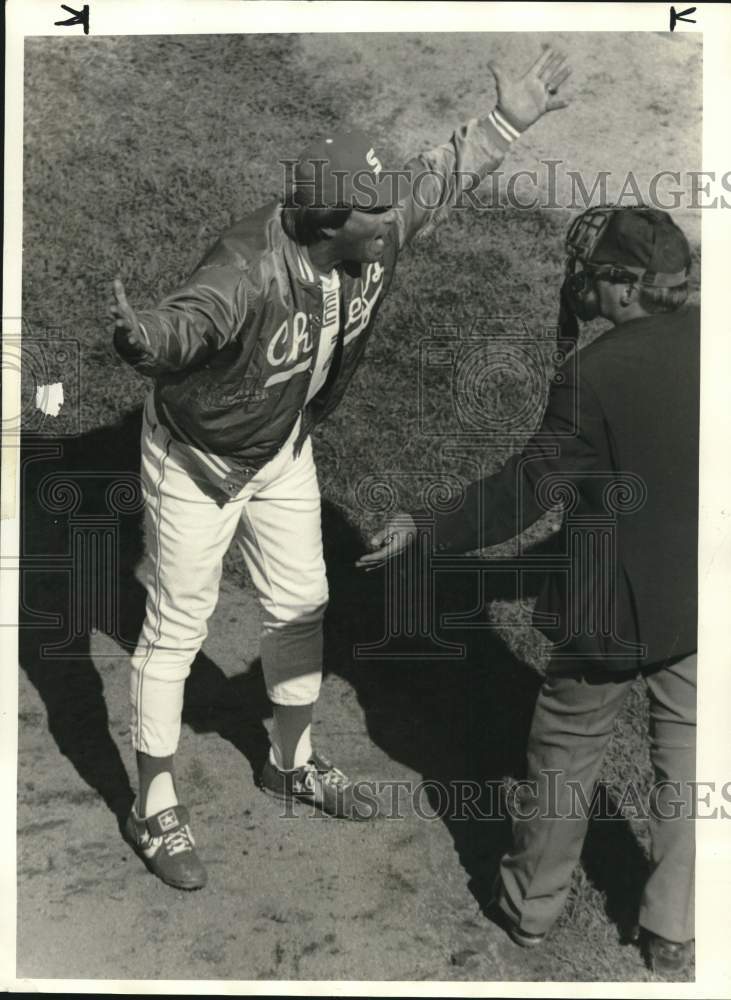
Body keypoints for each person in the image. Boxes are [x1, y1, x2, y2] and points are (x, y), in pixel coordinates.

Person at [108, 47, 572, 891]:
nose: (391, 213)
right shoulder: (247, 268)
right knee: (178, 625)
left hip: (282, 447)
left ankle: (292, 762)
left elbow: (440, 175)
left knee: (301, 604)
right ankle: (154, 805)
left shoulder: (373, 230)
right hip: (199, 461)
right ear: (329, 221)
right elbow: (192, 318)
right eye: (373, 206)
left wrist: (508, 119)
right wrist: (149, 341)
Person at [359, 204, 698, 976]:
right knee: (689, 762)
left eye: (596, 271)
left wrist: (426, 524)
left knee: (565, 752)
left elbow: (522, 493)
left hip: (609, 620)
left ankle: (529, 909)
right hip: (705, 600)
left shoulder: (596, 374)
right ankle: (672, 928)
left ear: (622, 286)